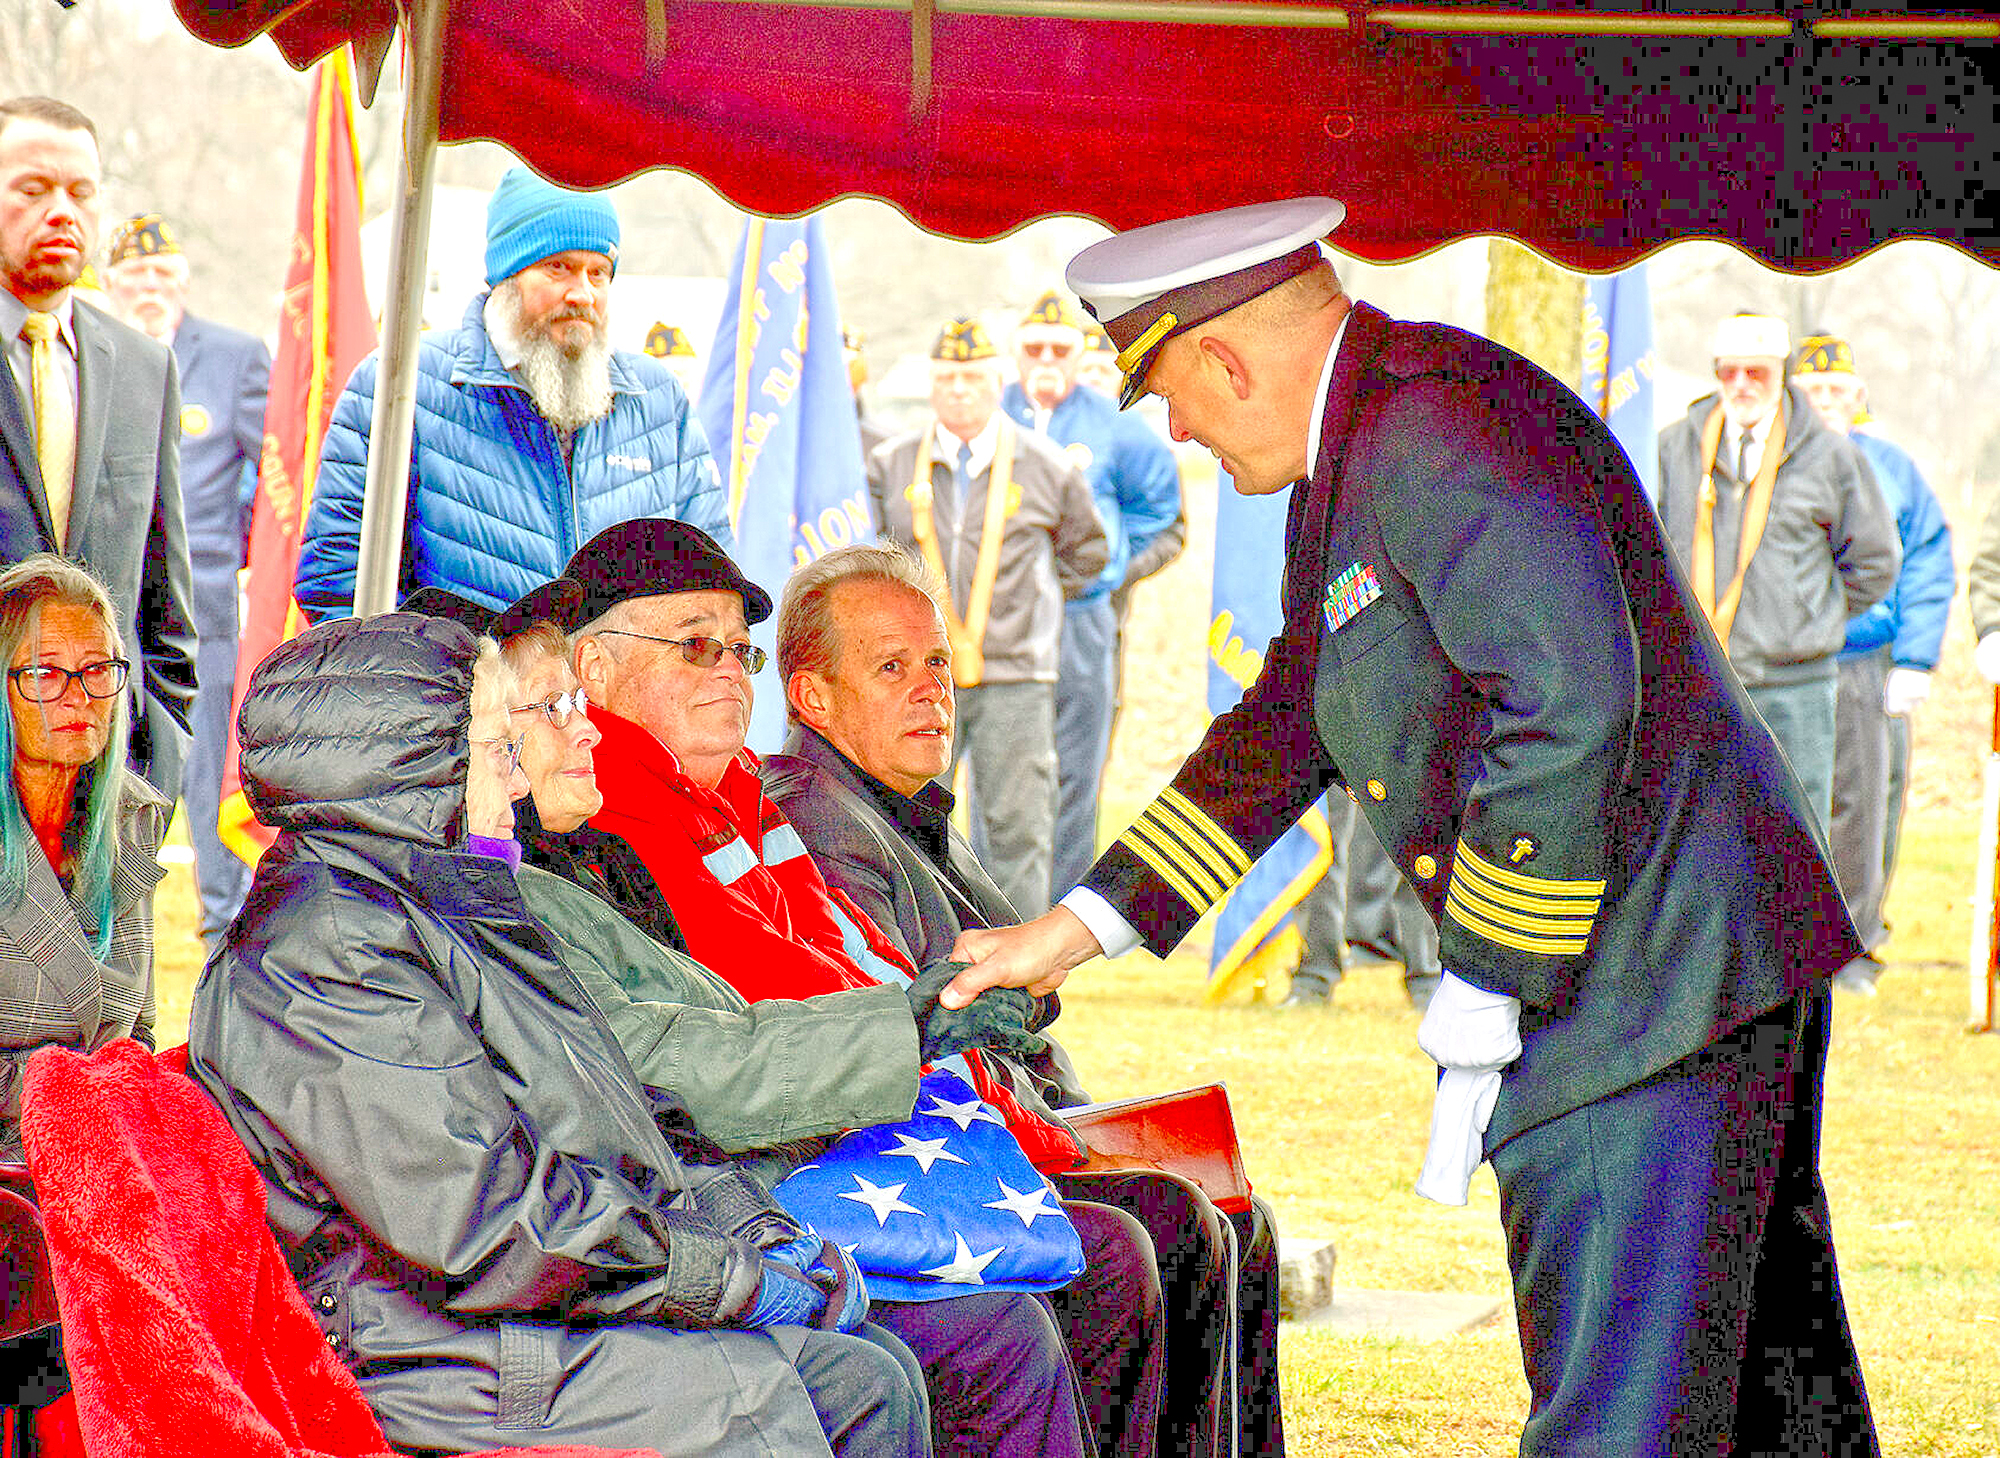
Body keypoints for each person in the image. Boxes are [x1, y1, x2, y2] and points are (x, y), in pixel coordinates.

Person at [944, 197, 1880, 1458]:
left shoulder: (1430, 425)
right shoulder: (1372, 436)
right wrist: (1076, 927)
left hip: (1645, 981)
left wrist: (1486, 974)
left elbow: (1565, 702)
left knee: (1625, 1413)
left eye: (1165, 391)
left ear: (1226, 355)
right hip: (1684, 966)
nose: (1172, 428)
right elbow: (1296, 713)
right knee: (1761, 1388)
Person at [187, 609, 931, 1457]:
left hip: (514, 1321)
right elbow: (487, 1222)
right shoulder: (323, 948)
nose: (514, 784)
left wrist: (739, 1221)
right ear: (409, 767)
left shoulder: (430, 902)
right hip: (429, 1358)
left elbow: (609, 1107)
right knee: (836, 1393)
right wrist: (721, 1277)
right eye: (498, 751)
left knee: (875, 1370)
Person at [519, 518, 1129, 1458]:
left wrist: (935, 1035)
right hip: (709, 1203)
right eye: (696, 646)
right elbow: (708, 1036)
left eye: (739, 649)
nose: (732, 671)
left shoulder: (728, 791)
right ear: (592, 673)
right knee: (1049, 1299)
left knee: (1127, 1249)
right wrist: (916, 1033)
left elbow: (829, 957)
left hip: (778, 1149)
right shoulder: (599, 828)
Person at [763, 541, 1286, 1458]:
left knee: (1235, 1217)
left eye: (938, 665)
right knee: (1161, 1226)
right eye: (892, 668)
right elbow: (913, 1029)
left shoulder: (901, 800)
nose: (932, 690)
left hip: (1024, 1116)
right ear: (812, 697)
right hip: (941, 1140)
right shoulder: (820, 818)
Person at [294, 166, 728, 615]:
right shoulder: (400, 385)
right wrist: (455, 681)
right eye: (558, 267)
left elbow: (713, 586)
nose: (582, 293)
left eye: (599, 273)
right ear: (507, 274)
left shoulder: (657, 402)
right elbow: (336, 582)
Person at [0, 555, 171, 1421]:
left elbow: (136, 1032)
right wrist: (66, 1102)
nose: (79, 695)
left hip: (104, 1170)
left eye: (98, 669)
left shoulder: (131, 820)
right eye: (44, 674)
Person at [867, 317, 1107, 916]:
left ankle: (1019, 978)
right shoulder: (893, 464)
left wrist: (1028, 612)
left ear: (997, 382)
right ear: (931, 384)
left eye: (972, 378)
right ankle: (928, 961)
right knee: (911, 823)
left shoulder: (1047, 464)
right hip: (915, 677)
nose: (959, 390)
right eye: (947, 378)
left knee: (1017, 826)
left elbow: (1087, 554)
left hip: (1016, 675)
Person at [0, 96, 197, 800]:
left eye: (81, 192)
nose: (62, 211)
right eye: (32, 189)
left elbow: (163, 597)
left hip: (104, 790)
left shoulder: (145, 368)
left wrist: (160, 767)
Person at [1655, 311, 1899, 826]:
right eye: (1729, 372)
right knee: (1698, 844)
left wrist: (1811, 612)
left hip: (1796, 691)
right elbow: (1653, 548)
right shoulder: (1677, 446)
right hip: (1698, 682)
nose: (1741, 385)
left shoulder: (1831, 456)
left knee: (1796, 841)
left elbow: (1875, 562)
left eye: (1757, 373)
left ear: (1781, 372)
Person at [102, 212, 271, 942]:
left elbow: (278, 477)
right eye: (136, 277)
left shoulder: (235, 358)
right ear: (110, 285)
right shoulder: (93, 355)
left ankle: (224, 932)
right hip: (103, 601)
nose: (150, 289)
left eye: (163, 276)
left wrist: (239, 551)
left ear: (185, 283)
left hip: (201, 606)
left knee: (205, 775)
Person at [1004, 291, 1185, 900]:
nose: (1047, 359)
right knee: (1003, 764)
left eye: (1061, 348)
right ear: (1017, 355)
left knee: (1076, 766)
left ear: (1082, 355)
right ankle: (995, 901)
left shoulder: (1117, 430)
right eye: (1035, 349)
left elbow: (1165, 517)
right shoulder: (991, 417)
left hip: (1083, 621)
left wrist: (1116, 572)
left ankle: (1061, 906)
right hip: (1003, 625)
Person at [1790, 332, 1954, 995]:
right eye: (1813, 390)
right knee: (1790, 795)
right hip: (1784, 661)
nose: (1827, 402)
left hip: (1864, 660)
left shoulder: (1891, 468)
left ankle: (1854, 943)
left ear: (1858, 398)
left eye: (1838, 391)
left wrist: (1914, 658)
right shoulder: (1775, 463)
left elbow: (1926, 559)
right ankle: (1787, 936)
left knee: (1862, 806)